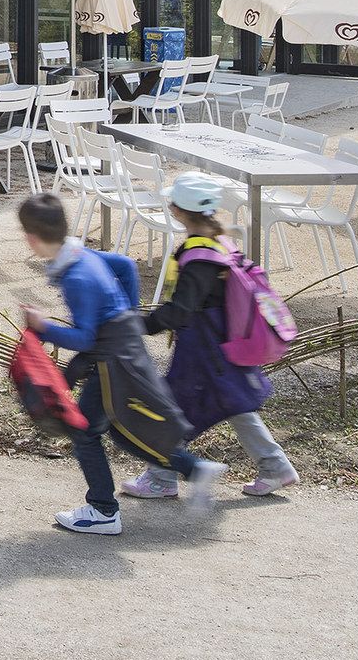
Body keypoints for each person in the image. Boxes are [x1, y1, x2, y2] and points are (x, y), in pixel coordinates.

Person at [16, 192, 225, 535]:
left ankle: (103, 510)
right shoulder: (79, 253)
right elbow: (125, 266)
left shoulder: (76, 277)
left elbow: (85, 338)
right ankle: (194, 469)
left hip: (109, 361)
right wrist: (126, 316)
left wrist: (43, 327)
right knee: (120, 427)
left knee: (84, 432)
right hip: (120, 350)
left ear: (31, 238)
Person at [121, 173, 300, 500]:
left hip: (203, 349)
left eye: (172, 203)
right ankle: (275, 466)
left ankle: (161, 477)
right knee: (234, 403)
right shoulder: (218, 243)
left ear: (178, 210)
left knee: (174, 407)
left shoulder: (198, 257)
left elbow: (180, 311)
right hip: (221, 343)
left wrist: (137, 325)